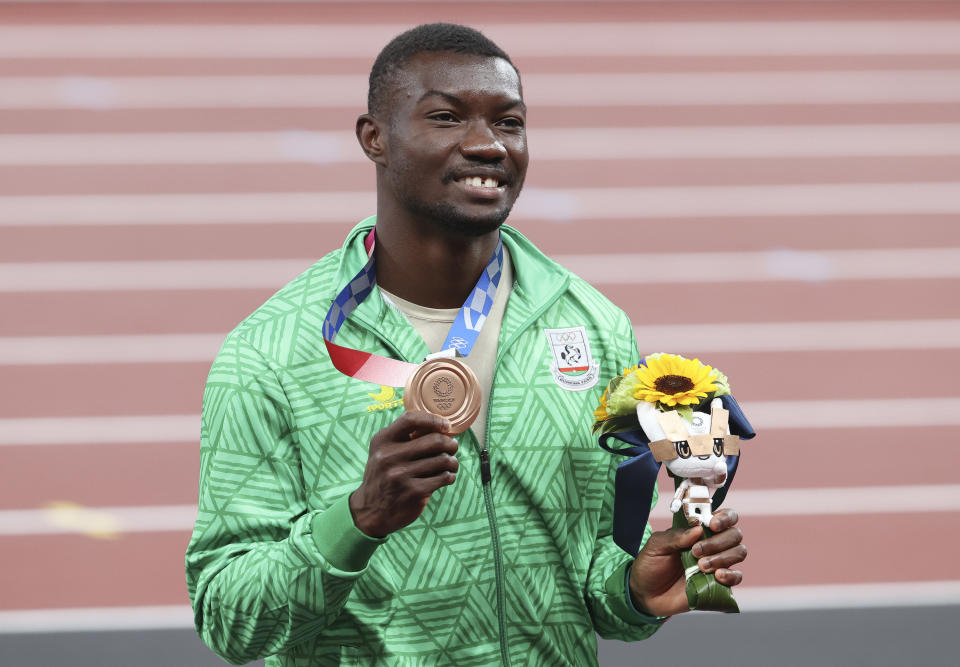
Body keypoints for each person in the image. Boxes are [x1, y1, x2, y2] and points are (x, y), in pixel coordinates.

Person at [185, 23, 747, 666]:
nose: (487, 145)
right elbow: (230, 620)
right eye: (447, 117)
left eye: (509, 123)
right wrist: (358, 520)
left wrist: (635, 590)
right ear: (375, 139)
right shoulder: (273, 353)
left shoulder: (591, 326)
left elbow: (592, 580)